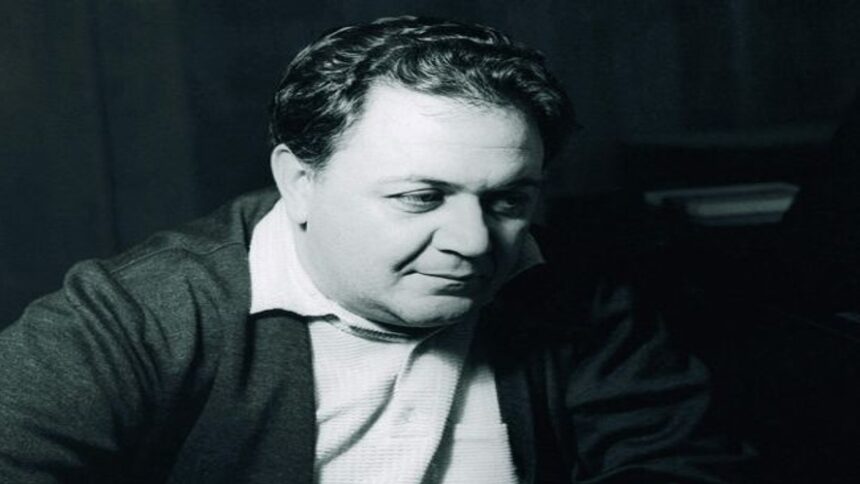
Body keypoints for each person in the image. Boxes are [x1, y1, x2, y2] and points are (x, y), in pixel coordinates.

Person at [0, 16, 750, 483]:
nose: (473, 242)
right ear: (299, 182)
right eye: (420, 197)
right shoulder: (138, 314)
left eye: (507, 200)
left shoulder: (578, 290)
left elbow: (682, 463)